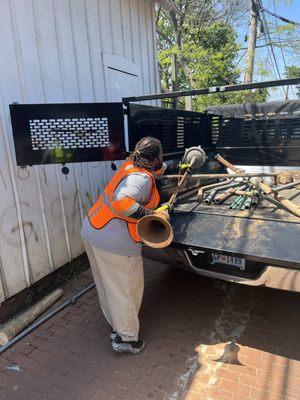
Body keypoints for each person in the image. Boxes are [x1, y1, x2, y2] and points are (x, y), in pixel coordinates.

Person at [81, 137, 167, 354]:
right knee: (127, 289)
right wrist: (152, 214)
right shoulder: (142, 178)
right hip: (114, 242)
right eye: (161, 156)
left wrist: (162, 169)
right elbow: (122, 200)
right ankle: (126, 339)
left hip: (93, 230)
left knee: (108, 286)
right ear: (155, 157)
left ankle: (115, 326)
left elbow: (141, 176)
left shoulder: (130, 164)